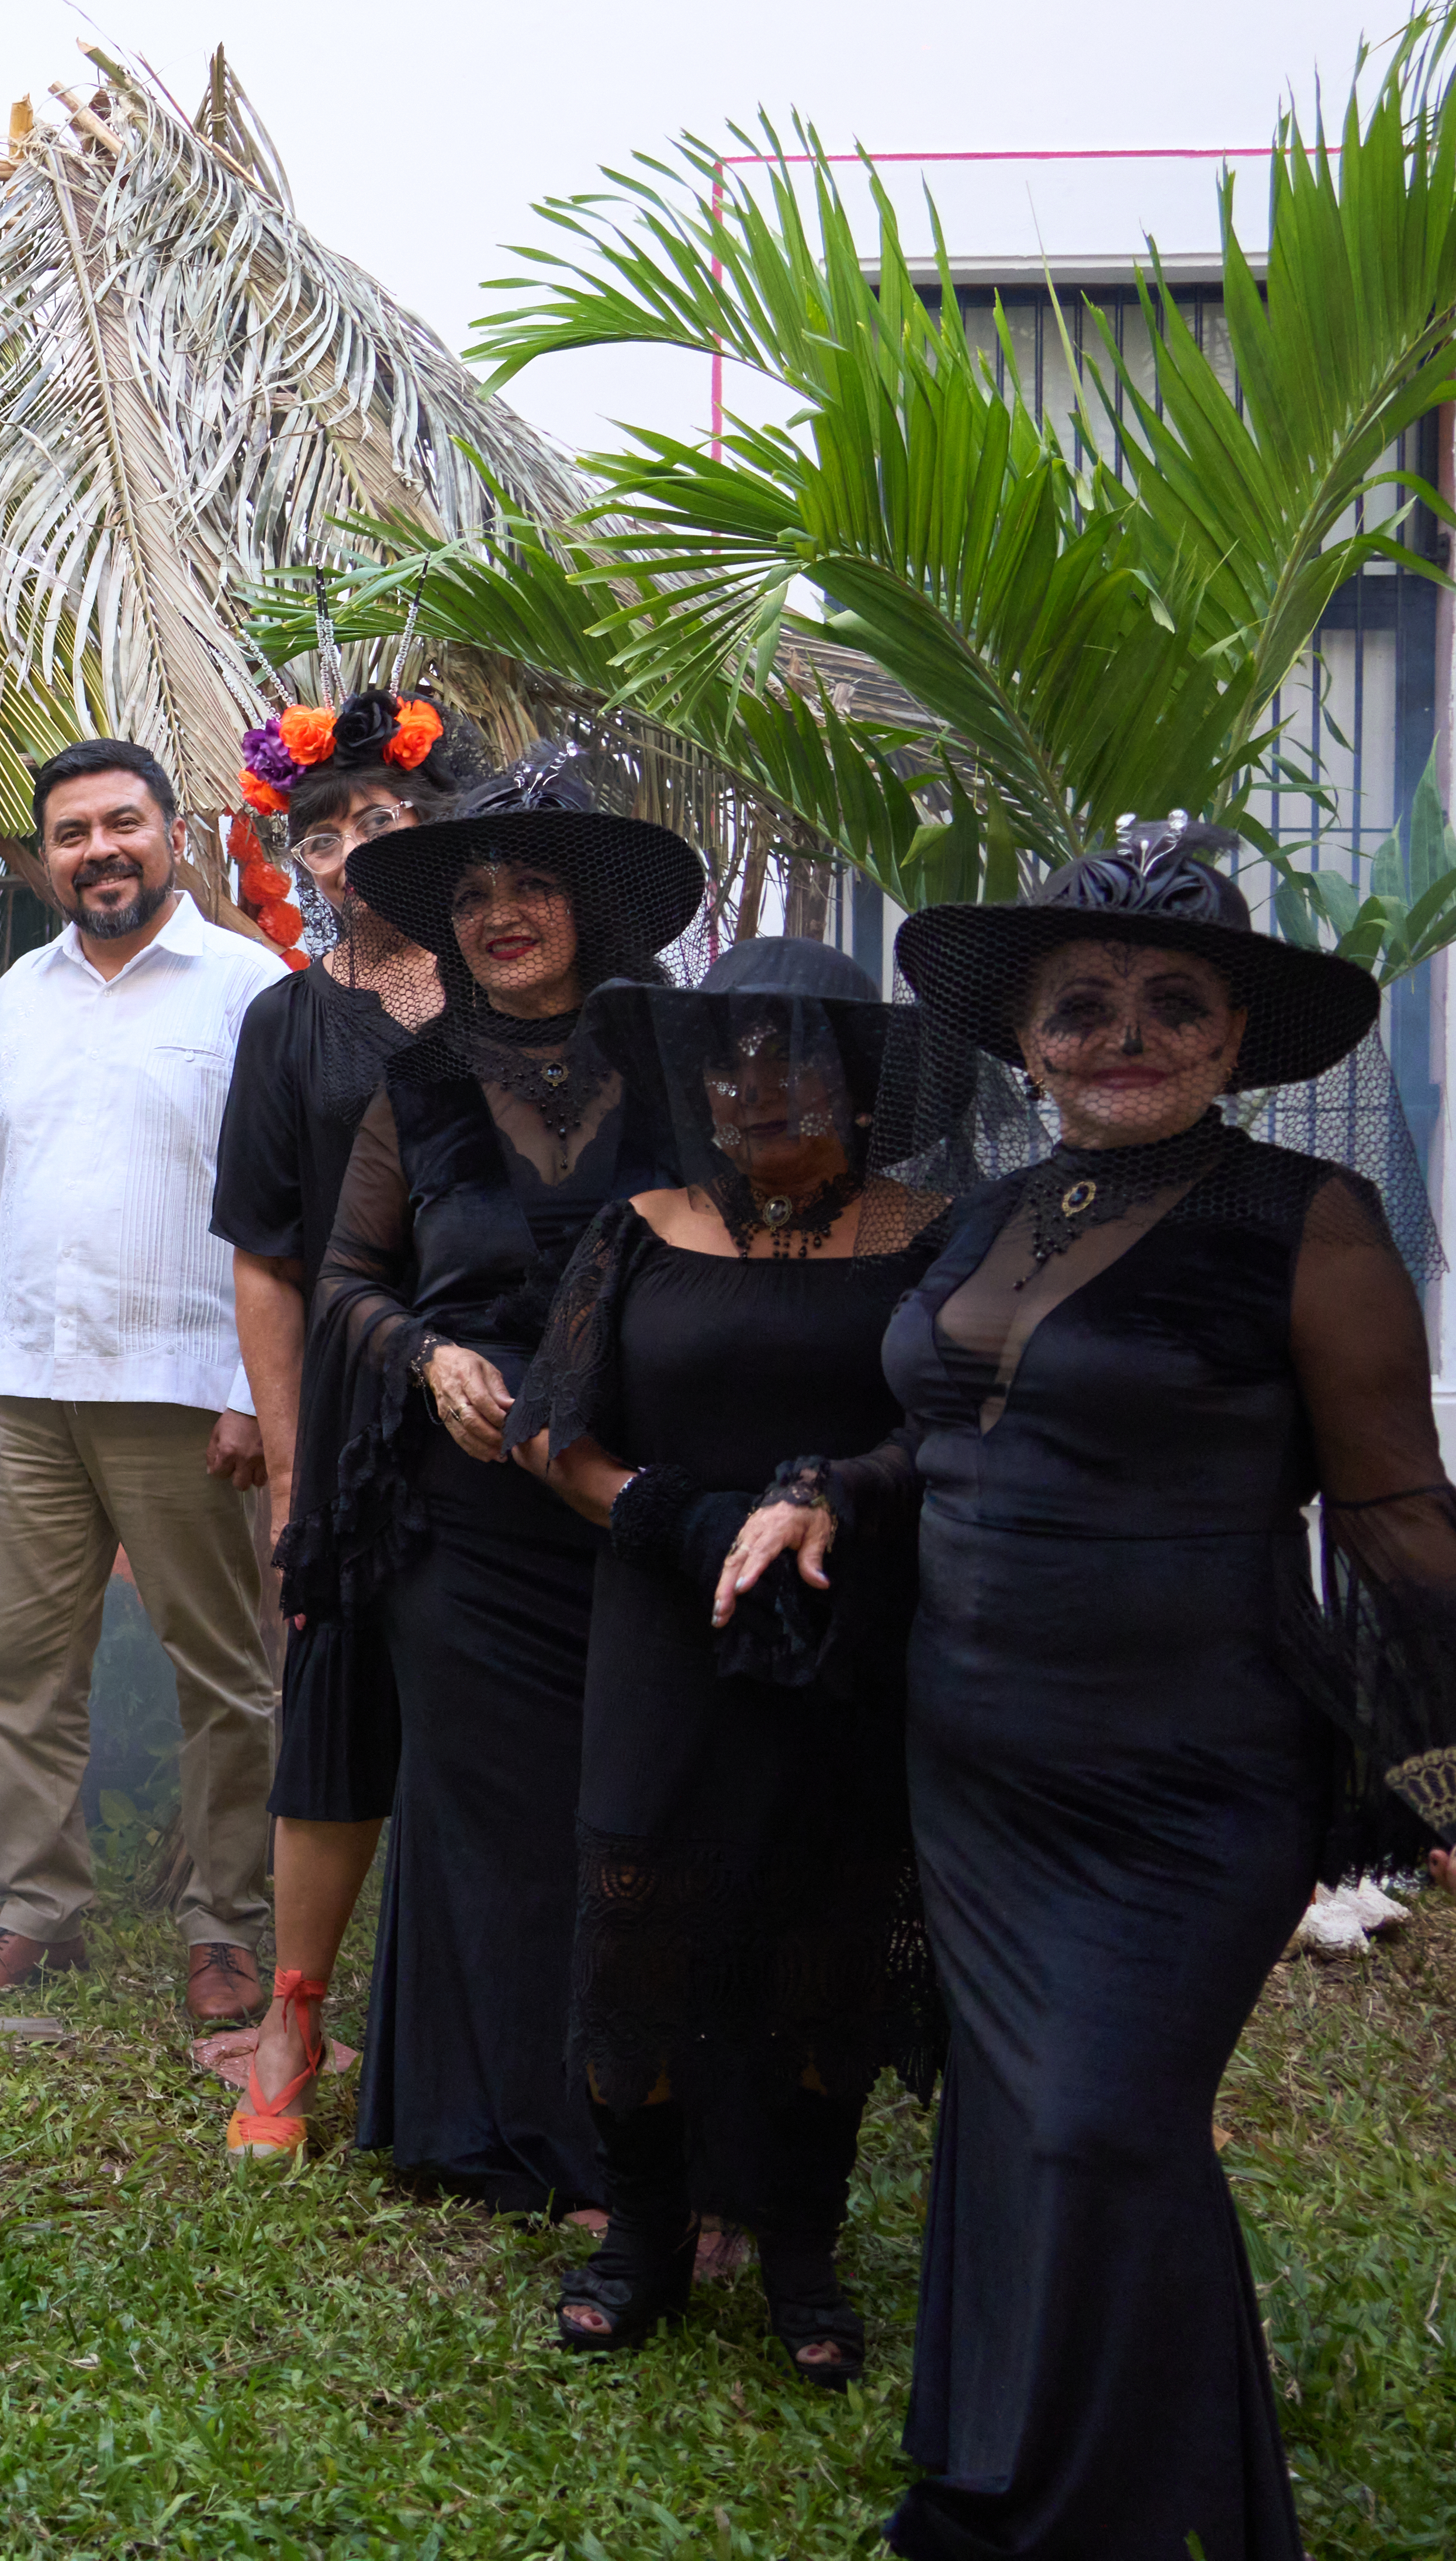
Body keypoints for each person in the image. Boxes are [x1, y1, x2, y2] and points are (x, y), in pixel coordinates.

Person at [720, 820, 1456, 2560]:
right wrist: (817, 1488)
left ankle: (1101, 2520)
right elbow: (924, 1437)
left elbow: (1394, 1501)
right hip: (976, 1760)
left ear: (1238, 1041)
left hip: (1187, 1782)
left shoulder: (1306, 1223)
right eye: (1083, 1005)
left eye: (1177, 1003)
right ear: (1028, 1039)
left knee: (1103, 2126)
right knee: (1024, 2131)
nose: (1126, 1035)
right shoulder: (997, 1214)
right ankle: (1011, 2468)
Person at [506, 940, 960, 2382]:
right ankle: (641, 2234)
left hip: (850, 1630)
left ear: (870, 1089)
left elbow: (957, 1429)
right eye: (733, 1062)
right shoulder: (642, 1226)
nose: (761, 1089)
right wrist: (681, 1515)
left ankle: (803, 2244)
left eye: (798, 1060)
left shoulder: (939, 1235)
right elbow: (551, 1433)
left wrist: (836, 1492)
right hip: (664, 1625)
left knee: (824, 1930)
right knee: (638, 1924)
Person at [279, 745, 703, 2216]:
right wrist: (425, 1357)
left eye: (533, 885)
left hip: (650, 1495)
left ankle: (658, 2110)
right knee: (498, 1816)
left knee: (643, 1813)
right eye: (473, 893)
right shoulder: (422, 1085)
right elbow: (340, 1274)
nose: (503, 912)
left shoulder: (685, 1066)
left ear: (593, 907)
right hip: (461, 1512)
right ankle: (519, 2130)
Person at [0, 736, 283, 2023]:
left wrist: (253, 1385)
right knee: (26, 1667)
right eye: (72, 833)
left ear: (173, 834)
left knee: (222, 1669)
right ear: (47, 859)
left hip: (185, 1383)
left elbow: (283, 1206)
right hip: (35, 1389)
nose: (99, 850)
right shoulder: (21, 994)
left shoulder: (251, 987)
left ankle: (226, 1926)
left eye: (122, 822)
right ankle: (34, 1913)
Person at [209, 691, 458, 2156]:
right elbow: (265, 1256)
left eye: (383, 814)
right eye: (324, 827)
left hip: (515, 1401)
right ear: (292, 860)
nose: (357, 842)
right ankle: (292, 2025)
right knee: (334, 1703)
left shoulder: (531, 995)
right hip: (359, 1413)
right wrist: (294, 1458)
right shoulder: (287, 1022)